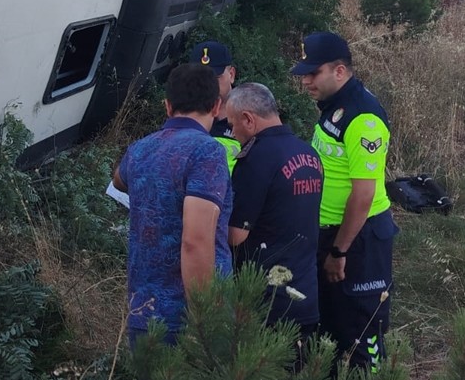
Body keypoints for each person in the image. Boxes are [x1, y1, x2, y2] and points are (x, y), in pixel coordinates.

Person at [290, 31, 398, 373]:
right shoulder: (335, 106)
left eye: (313, 73)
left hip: (358, 241)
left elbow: (363, 195)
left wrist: (339, 251)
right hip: (330, 234)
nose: (305, 81)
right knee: (332, 324)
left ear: (339, 71)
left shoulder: (363, 117)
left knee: (361, 329)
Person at [112, 63, 233, 347]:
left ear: (167, 106)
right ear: (216, 107)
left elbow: (118, 179)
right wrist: (204, 319)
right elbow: (195, 241)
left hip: (143, 312)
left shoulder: (139, 149)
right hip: (187, 319)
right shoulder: (207, 151)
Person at [227, 83, 323, 351]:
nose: (232, 133)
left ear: (248, 119)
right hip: (305, 294)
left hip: (266, 301)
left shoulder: (256, 159)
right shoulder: (309, 153)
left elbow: (235, 235)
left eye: (232, 125)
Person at [188, 40, 241, 171]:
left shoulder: (249, 115)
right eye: (199, 79)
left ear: (231, 74)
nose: (206, 85)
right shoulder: (185, 113)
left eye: (214, 78)